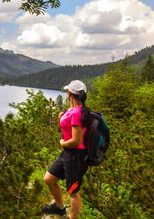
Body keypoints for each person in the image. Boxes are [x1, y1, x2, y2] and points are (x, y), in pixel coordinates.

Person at [42, 80, 90, 219]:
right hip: (67, 153)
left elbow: (76, 141)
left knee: (73, 191)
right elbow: (67, 130)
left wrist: (62, 143)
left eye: (67, 92)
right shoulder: (72, 111)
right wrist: (62, 118)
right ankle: (60, 208)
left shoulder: (77, 113)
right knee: (49, 179)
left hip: (75, 155)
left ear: (70, 94)